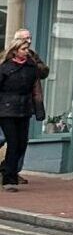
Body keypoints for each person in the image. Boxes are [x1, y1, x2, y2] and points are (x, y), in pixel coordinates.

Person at [0, 30, 45, 189]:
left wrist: (38, 108)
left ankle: (8, 169)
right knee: (12, 143)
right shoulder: (5, 67)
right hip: (6, 109)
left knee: (21, 144)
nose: (26, 52)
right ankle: (8, 179)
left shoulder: (31, 66)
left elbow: (37, 85)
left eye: (27, 49)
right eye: (23, 49)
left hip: (24, 108)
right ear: (15, 51)